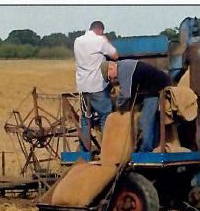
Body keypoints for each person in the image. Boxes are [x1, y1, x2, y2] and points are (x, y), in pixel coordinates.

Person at [105, 59, 172, 152]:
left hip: (156, 89)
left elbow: (125, 94)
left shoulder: (122, 69)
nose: (112, 80)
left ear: (111, 68)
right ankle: (153, 148)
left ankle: (145, 151)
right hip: (152, 88)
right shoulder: (123, 65)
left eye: (109, 77)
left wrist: (118, 108)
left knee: (145, 120)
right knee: (151, 120)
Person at [73, 21, 118, 150]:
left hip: (82, 86)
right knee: (106, 116)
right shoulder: (100, 41)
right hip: (97, 85)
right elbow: (115, 55)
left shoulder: (77, 41)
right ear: (100, 30)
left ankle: (84, 151)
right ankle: (108, 150)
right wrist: (105, 39)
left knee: (86, 120)